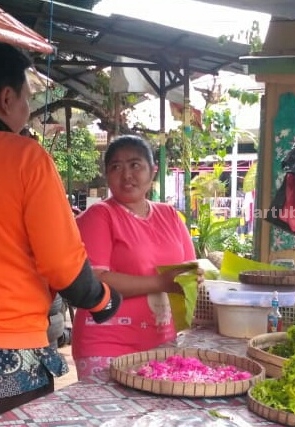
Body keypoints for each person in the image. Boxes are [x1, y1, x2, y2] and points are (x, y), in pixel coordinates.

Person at [0, 42, 122, 427]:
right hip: (4, 356)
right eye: (27, 98)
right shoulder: (24, 157)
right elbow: (62, 265)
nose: (26, 107)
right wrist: (103, 300)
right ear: (6, 98)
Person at [72, 135, 203, 380]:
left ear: (152, 171)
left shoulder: (169, 215)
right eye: (116, 167)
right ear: (106, 175)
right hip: (106, 345)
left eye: (135, 165)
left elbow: (188, 272)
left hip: (163, 342)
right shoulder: (99, 215)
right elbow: (94, 280)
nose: (126, 175)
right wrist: (161, 282)